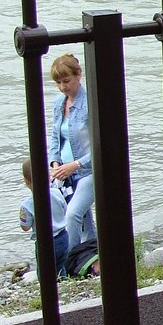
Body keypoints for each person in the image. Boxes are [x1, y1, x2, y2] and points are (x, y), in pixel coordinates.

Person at [48, 53, 96, 246]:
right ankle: (92, 255)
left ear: (78, 75)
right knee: (85, 222)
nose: (62, 87)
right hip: (64, 173)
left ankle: (71, 260)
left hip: (87, 171)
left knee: (72, 215)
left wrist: (74, 165)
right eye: (58, 83)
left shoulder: (90, 103)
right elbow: (55, 136)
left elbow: (100, 146)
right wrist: (55, 162)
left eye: (66, 81)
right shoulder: (59, 103)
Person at [20, 158, 70, 275]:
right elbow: (65, 210)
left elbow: (25, 227)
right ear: (48, 176)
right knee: (60, 265)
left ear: (26, 181)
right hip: (63, 236)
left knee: (44, 271)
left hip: (45, 242)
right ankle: (62, 281)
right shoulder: (57, 193)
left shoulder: (26, 205)